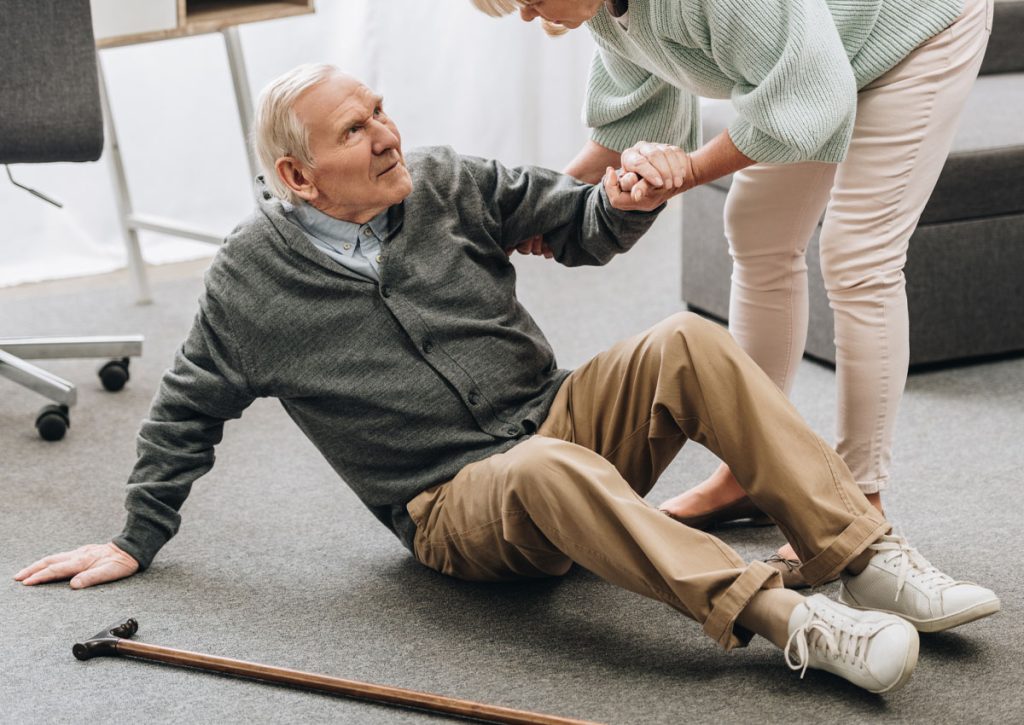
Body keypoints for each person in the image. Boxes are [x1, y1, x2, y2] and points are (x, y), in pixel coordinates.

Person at [15, 65, 999, 694]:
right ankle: (793, 620)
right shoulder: (248, 283)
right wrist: (133, 537)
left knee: (682, 341)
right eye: (355, 130)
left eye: (381, 110)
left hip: (558, 419)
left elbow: (576, 226)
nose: (387, 133)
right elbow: (184, 411)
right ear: (300, 178)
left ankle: (858, 554)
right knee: (543, 468)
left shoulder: (442, 178)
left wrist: (627, 197)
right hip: (453, 505)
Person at [470, 0, 994, 586]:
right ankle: (749, 474)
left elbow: (806, 100)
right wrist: (540, 211)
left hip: (917, 29)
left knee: (857, 255)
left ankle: (858, 502)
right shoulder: (603, 12)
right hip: (817, 56)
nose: (526, 15)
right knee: (758, 230)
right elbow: (637, 123)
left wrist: (686, 172)